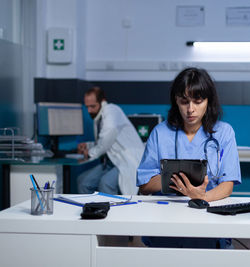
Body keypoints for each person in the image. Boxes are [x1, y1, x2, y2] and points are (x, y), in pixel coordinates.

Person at [137, 67, 241, 248]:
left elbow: (228, 184)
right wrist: (176, 181)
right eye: (184, 102)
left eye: (198, 101)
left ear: (208, 101)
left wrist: (201, 197)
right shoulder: (160, 133)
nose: (190, 109)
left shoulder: (224, 133)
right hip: (165, 227)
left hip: (209, 223)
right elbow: (145, 184)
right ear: (175, 101)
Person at [77, 87, 144, 195]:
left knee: (106, 183)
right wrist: (88, 145)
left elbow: (108, 134)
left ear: (102, 101)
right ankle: (89, 211)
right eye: (87, 107)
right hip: (110, 161)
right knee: (83, 182)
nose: (89, 110)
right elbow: (107, 142)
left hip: (126, 160)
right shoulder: (99, 117)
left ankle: (109, 212)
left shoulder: (111, 110)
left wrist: (90, 153)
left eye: (92, 106)